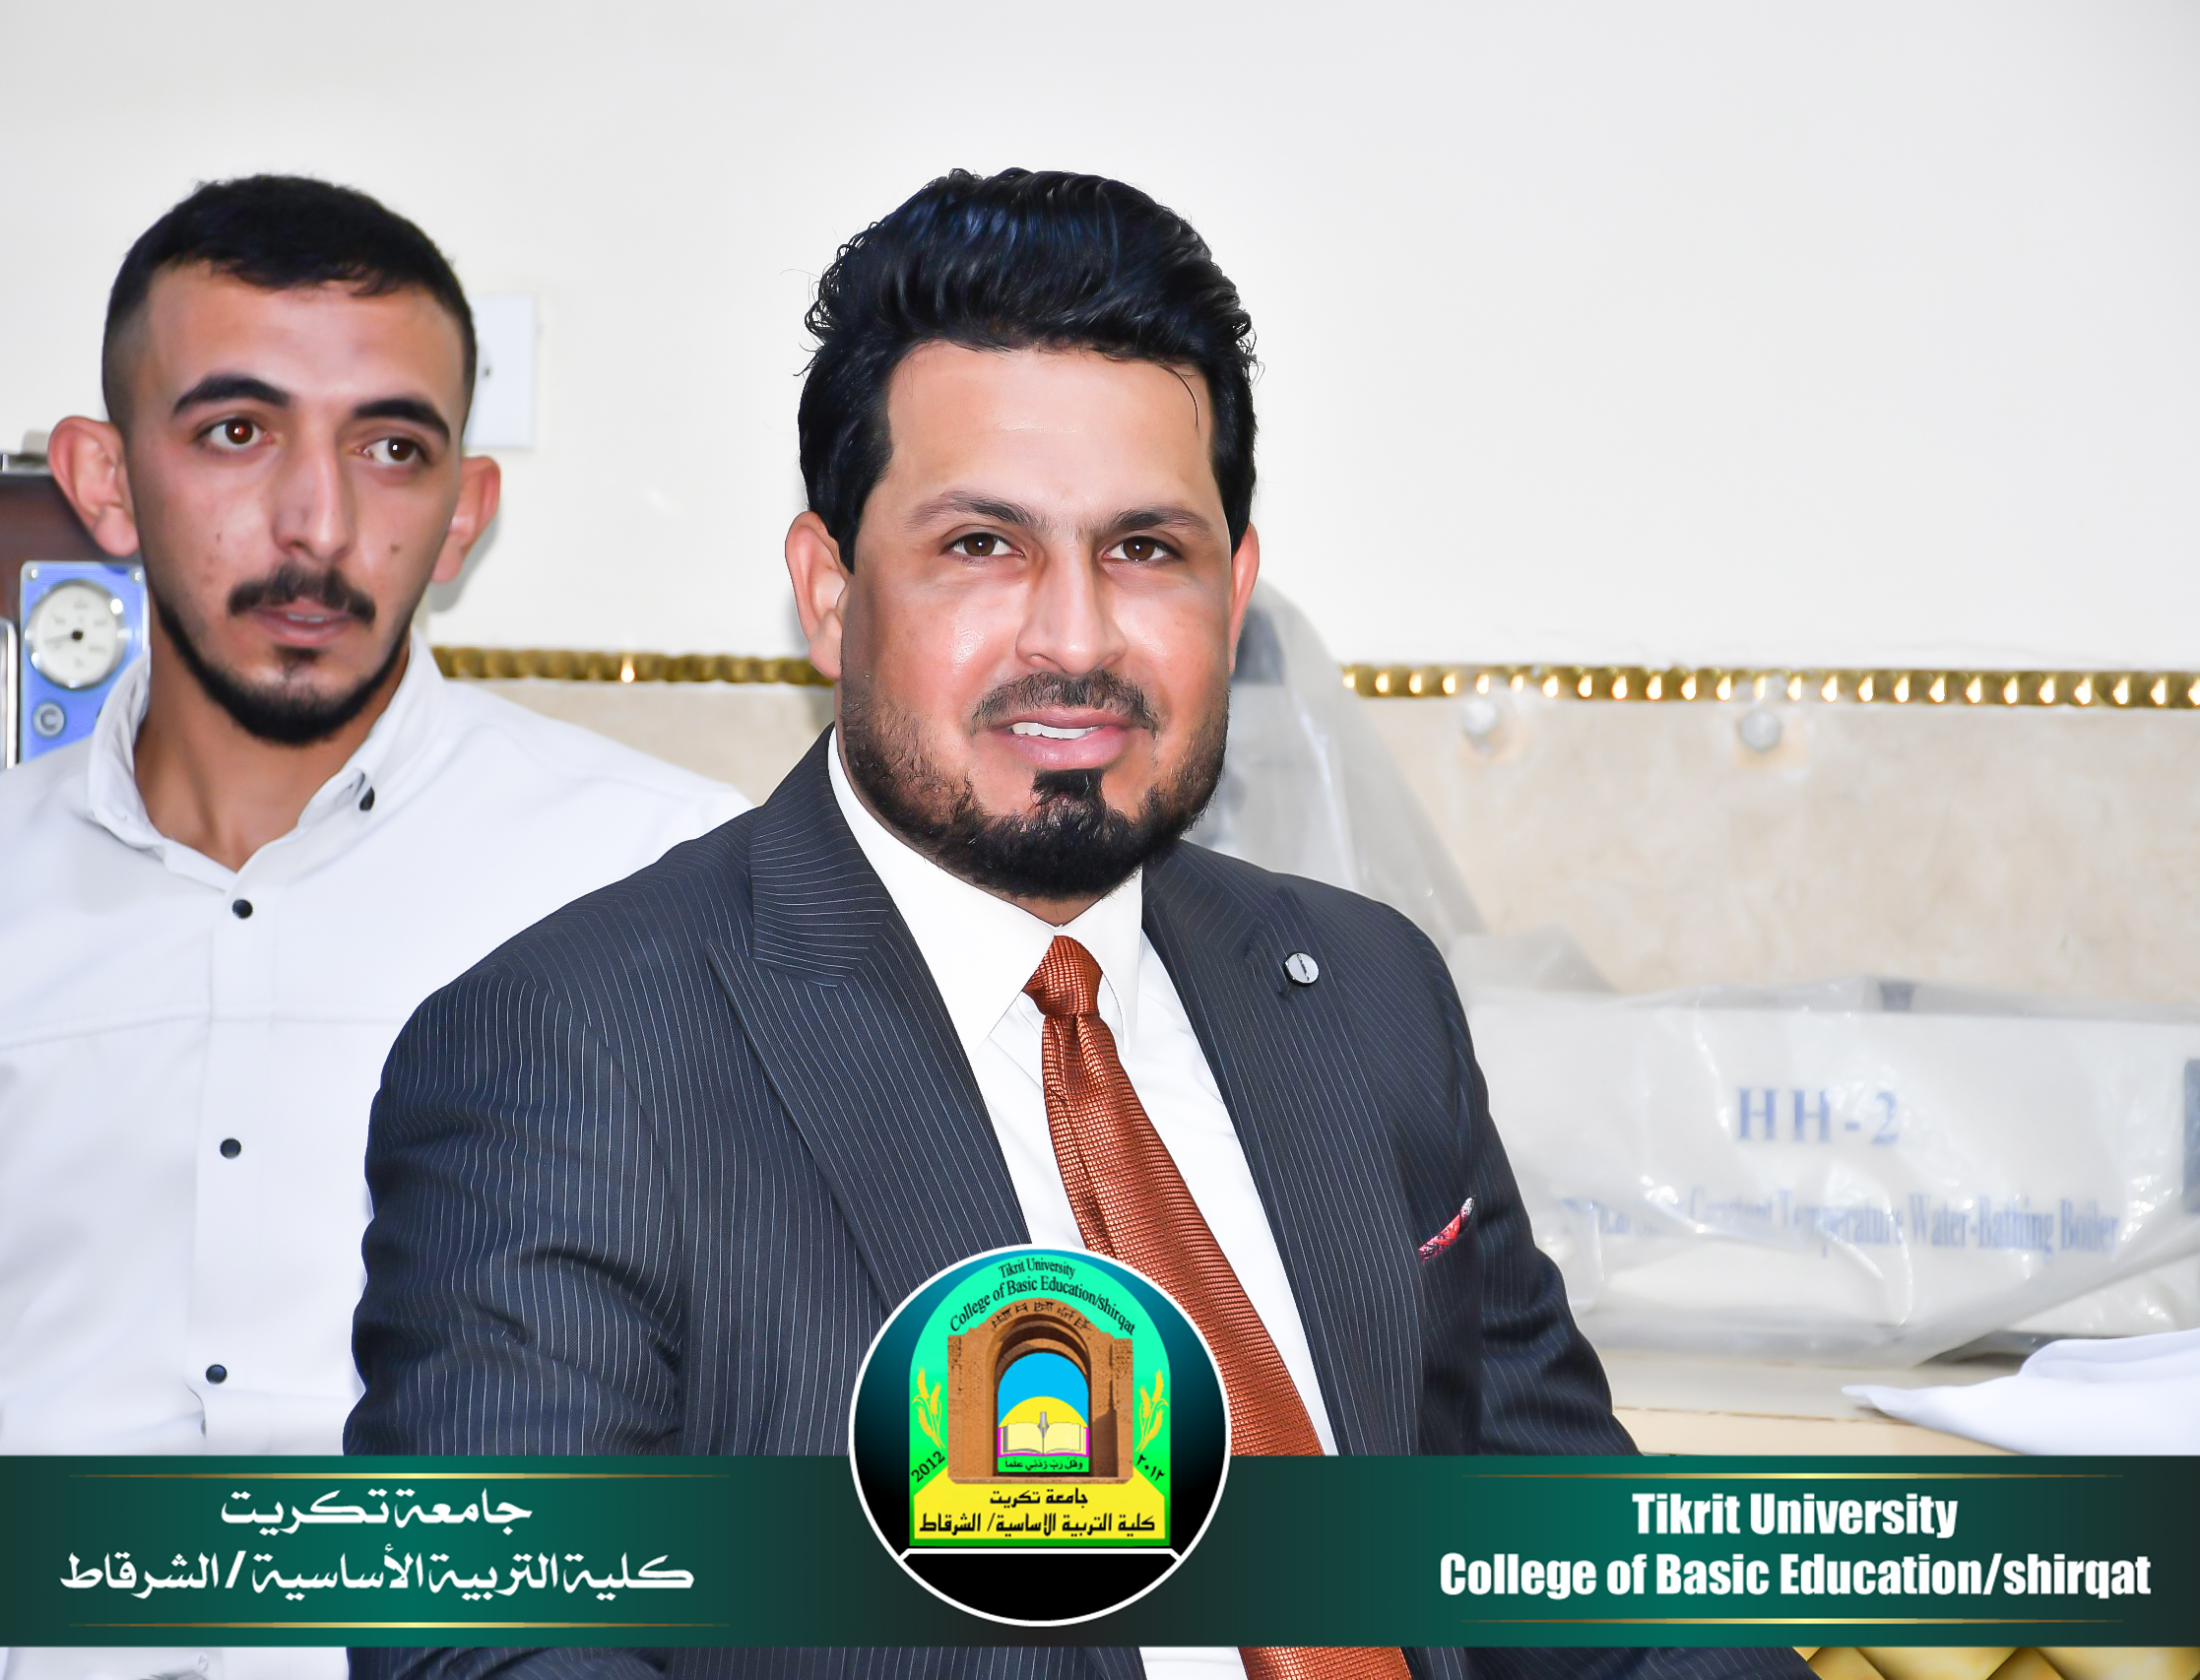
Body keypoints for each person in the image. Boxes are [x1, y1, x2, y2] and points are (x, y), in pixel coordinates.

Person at [344, 169, 1805, 1680]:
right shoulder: (570, 1050)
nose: (1075, 638)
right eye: (983, 545)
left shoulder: (1368, 994)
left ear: (1235, 590)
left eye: (1144, 549)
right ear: (830, 592)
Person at [0, 175, 746, 1680]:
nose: (318, 523)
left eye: (391, 447)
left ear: (464, 513)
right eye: (237, 431)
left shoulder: (664, 878)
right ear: (105, 481)